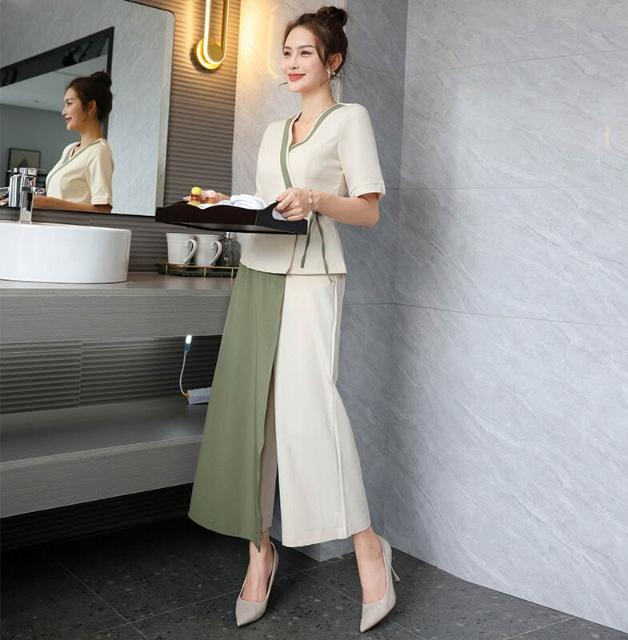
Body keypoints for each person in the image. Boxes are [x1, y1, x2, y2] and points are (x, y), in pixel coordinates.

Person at [187, 6, 399, 633]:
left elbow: (368, 211)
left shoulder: (350, 120)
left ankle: (369, 549)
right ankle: (260, 553)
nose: (292, 62)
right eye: (287, 52)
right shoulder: (274, 130)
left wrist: (317, 198)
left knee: (312, 410)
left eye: (305, 52)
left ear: (332, 61)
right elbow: (267, 207)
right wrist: (223, 204)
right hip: (259, 274)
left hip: (312, 278)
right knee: (251, 412)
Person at [35, 71, 114, 213]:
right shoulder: (70, 149)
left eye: (69, 104)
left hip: (73, 228)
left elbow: (103, 210)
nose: (63, 112)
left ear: (91, 106)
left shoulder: (99, 151)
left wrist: (47, 203)